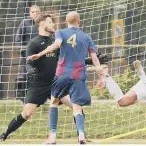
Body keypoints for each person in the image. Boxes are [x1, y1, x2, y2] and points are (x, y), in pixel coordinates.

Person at [0, 14, 107, 142]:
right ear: (43, 24)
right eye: (50, 22)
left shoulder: (56, 41)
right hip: (38, 84)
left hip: (55, 82)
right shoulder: (33, 43)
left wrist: (90, 60)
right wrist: (32, 72)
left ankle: (81, 136)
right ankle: (5, 133)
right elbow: (28, 63)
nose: (53, 24)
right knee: (27, 113)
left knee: (76, 106)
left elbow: (68, 59)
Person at [29, 11, 103, 144]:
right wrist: (101, 77)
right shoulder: (86, 37)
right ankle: (81, 135)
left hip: (62, 74)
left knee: (54, 102)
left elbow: (56, 45)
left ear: (65, 21)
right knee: (77, 106)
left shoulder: (61, 32)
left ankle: (52, 136)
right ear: (79, 21)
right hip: (78, 75)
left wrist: (40, 54)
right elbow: (95, 59)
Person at [14, 5, 41, 102]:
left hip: (40, 55)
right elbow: (18, 38)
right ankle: (23, 98)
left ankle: (40, 98)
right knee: (25, 75)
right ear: (30, 13)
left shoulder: (42, 23)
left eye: (37, 11)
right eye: (33, 12)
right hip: (27, 55)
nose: (35, 13)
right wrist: (22, 50)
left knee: (40, 75)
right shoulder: (25, 23)